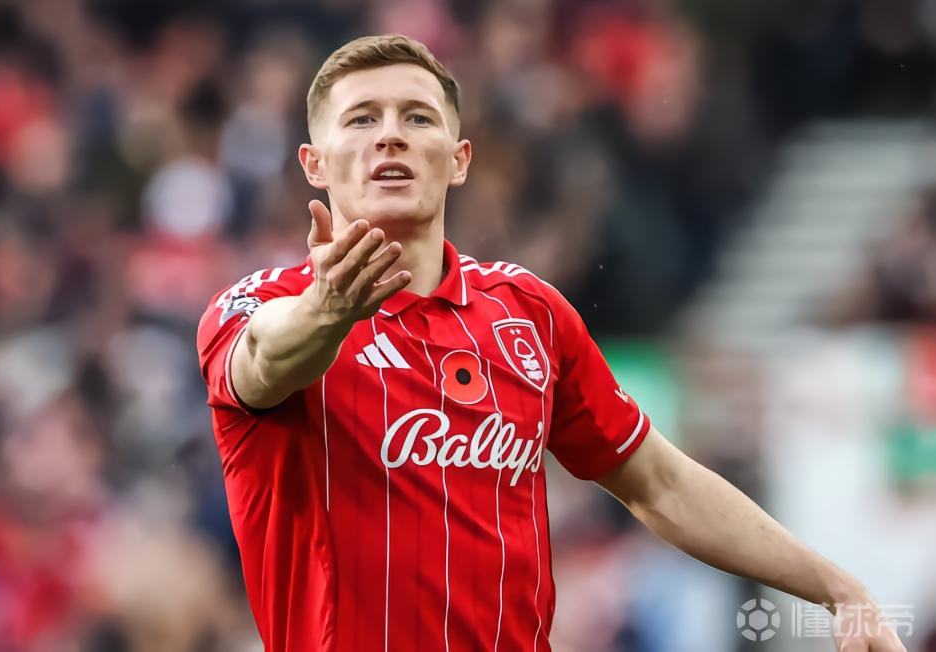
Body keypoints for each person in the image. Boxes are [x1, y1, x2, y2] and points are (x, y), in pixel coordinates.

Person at [197, 34, 906, 652]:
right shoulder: (260, 304)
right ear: (315, 163)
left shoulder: (528, 313)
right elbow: (262, 362)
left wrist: (835, 585)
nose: (391, 136)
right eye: (361, 118)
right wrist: (326, 312)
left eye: (417, 117)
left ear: (460, 159)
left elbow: (660, 483)